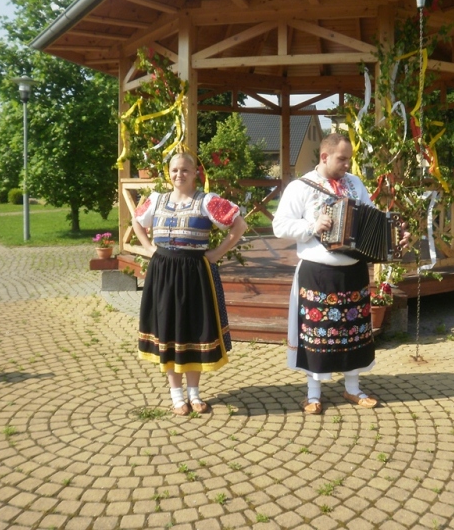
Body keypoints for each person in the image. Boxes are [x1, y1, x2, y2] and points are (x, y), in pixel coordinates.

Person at [273, 133, 409, 414]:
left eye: (349, 159)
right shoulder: (301, 187)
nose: (347, 164)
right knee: (316, 335)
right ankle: (313, 394)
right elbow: (280, 226)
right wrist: (313, 225)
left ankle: (353, 389)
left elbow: (373, 220)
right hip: (317, 272)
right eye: (342, 159)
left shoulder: (354, 184)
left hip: (354, 271)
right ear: (325, 156)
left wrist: (395, 235)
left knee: (354, 333)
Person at [132, 151, 247, 415]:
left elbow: (239, 226)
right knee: (168, 330)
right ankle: (176, 396)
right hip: (163, 273)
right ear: (168, 173)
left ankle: (194, 394)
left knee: (193, 330)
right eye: (174, 170)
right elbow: (137, 223)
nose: (179, 174)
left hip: (195, 273)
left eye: (185, 170)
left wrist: (217, 254)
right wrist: (149, 248)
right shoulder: (156, 200)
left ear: (195, 173)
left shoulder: (207, 201)